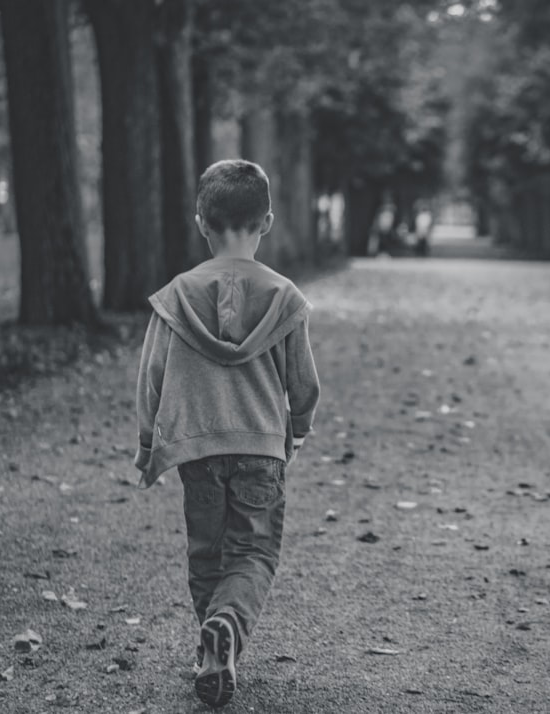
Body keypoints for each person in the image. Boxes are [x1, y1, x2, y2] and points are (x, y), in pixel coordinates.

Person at [133, 159, 320, 709]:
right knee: (254, 551)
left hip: (199, 448)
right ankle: (228, 629)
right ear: (266, 222)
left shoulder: (175, 297)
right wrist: (300, 427)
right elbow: (303, 381)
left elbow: (153, 377)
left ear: (201, 224)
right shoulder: (285, 296)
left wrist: (150, 445)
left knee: (207, 553)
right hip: (261, 447)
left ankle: (214, 643)